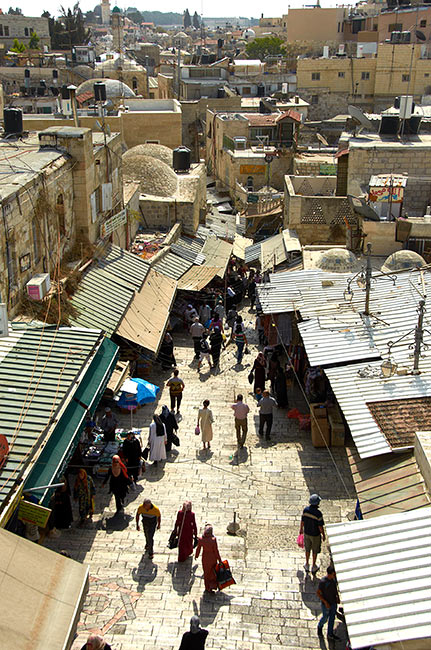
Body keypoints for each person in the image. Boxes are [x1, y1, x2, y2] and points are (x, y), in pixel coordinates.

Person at [299, 494, 325, 574]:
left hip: (307, 533)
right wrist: (323, 535)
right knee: (315, 550)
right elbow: (320, 526)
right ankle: (313, 565)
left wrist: (301, 529)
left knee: (307, 549)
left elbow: (302, 521)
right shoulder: (318, 514)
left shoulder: (305, 510)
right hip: (315, 535)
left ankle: (307, 563)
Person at [195, 524, 222, 593]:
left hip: (205, 558)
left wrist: (196, 555)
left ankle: (207, 587)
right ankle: (213, 585)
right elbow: (216, 551)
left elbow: (198, 549)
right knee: (212, 572)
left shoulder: (201, 539)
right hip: (212, 558)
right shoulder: (213, 540)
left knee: (206, 573)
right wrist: (219, 559)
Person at [316, 566, 340, 641]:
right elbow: (318, 593)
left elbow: (335, 589)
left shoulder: (334, 580)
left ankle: (330, 634)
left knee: (332, 618)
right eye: (333, 574)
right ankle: (320, 627)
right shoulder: (323, 582)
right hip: (326, 603)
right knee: (325, 617)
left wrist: (337, 597)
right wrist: (325, 602)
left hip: (333, 602)